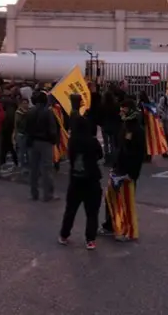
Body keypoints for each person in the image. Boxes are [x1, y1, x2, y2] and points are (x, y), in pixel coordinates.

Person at [59, 94, 105, 250]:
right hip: (91, 180)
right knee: (92, 212)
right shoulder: (92, 141)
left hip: (75, 178)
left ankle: (64, 235)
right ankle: (90, 239)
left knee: (70, 209)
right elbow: (100, 155)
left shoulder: (72, 141)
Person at [102, 98, 146, 237]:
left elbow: (139, 155)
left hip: (128, 173)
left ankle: (129, 230)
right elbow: (120, 149)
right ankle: (110, 225)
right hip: (118, 170)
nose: (121, 111)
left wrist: (132, 174)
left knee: (126, 202)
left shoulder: (136, 130)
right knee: (111, 199)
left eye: (124, 108)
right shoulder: (124, 126)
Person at [24, 91, 59, 201]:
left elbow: (26, 128)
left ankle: (34, 193)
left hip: (33, 142)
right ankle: (48, 194)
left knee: (33, 169)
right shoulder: (48, 113)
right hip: (45, 142)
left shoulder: (30, 111)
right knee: (47, 169)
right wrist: (54, 141)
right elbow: (52, 130)